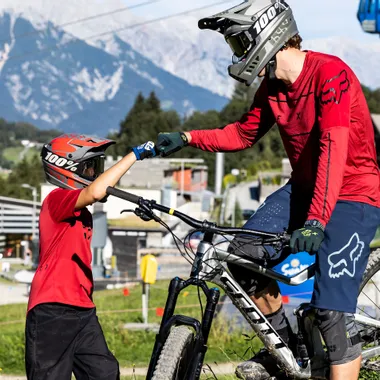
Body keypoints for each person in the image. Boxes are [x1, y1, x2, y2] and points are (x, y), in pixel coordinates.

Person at [155, 1, 380, 379]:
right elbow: (244, 133)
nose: (238, 54)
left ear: (267, 34)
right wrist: (188, 137)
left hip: (353, 193)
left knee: (331, 314)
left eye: (240, 43)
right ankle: (289, 351)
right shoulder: (272, 87)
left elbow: (333, 150)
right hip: (306, 190)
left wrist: (315, 221)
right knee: (240, 256)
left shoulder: (331, 74)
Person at [25, 134, 156, 380]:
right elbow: (96, 191)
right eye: (90, 167)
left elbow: (99, 191)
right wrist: (134, 155)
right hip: (52, 310)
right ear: (66, 168)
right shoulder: (56, 200)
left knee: (105, 373)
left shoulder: (82, 212)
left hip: (83, 309)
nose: (95, 174)